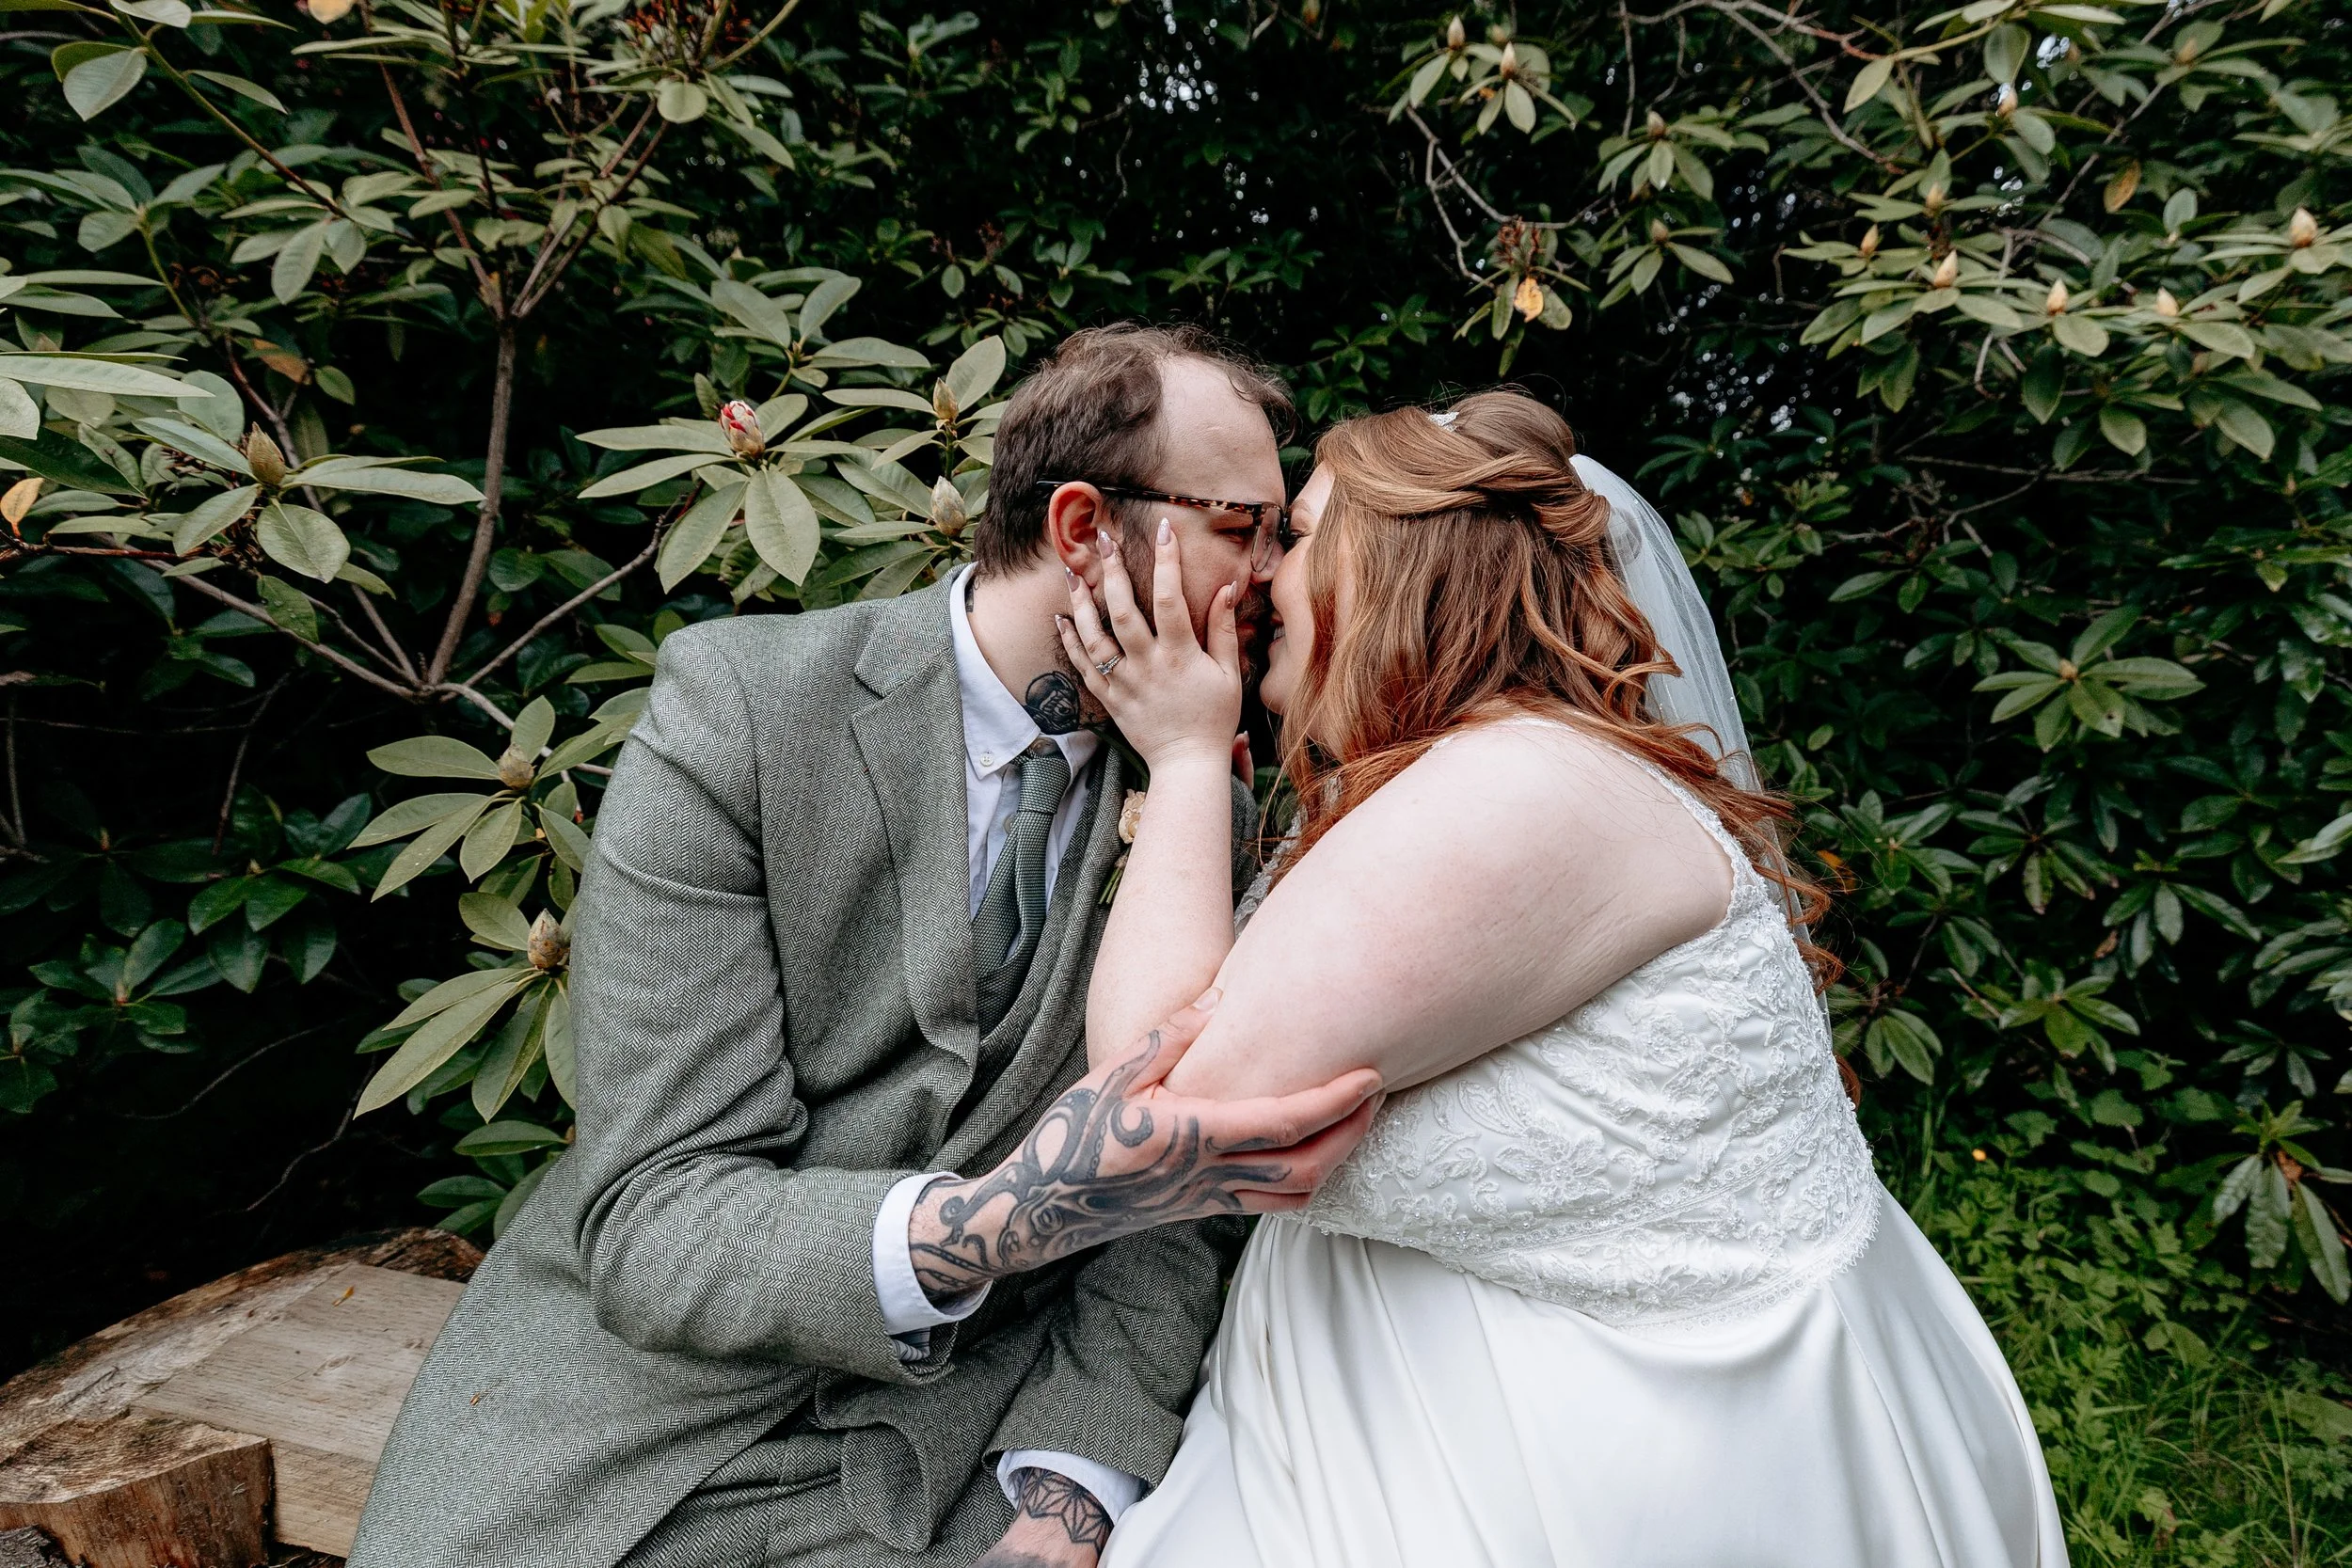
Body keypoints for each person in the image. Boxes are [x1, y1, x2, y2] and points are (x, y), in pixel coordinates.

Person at [346, 325, 1381, 1568]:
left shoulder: (1216, 786)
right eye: (1241, 527)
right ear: (1082, 529)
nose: (1273, 575)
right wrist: (1000, 1217)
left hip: (962, 1440)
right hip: (634, 1417)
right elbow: (655, 1219)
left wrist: (1071, 1484)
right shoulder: (741, 717)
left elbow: (1188, 1199)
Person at [1057, 391, 2069, 1567]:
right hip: (1389, 1390)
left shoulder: (1524, 786)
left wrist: (1182, 755)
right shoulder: (1474, 774)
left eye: (1301, 532)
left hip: (1590, 1457)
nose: (1263, 571)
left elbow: (1148, 1101)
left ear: (1399, 565)